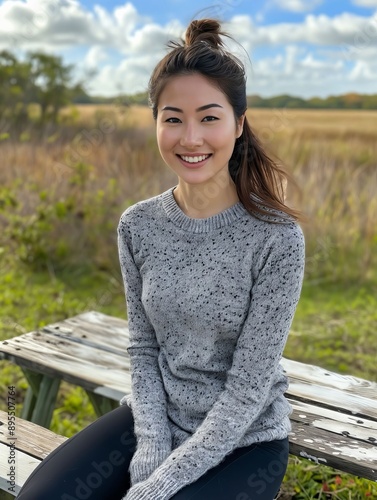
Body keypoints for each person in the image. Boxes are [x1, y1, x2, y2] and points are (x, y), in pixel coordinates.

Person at [17, 18, 305, 500]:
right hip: (155, 417)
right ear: (156, 123)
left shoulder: (277, 239)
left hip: (244, 440)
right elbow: (143, 347)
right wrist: (152, 446)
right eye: (173, 118)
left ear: (239, 124)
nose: (190, 138)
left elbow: (248, 389)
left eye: (209, 117)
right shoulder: (138, 225)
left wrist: (164, 482)